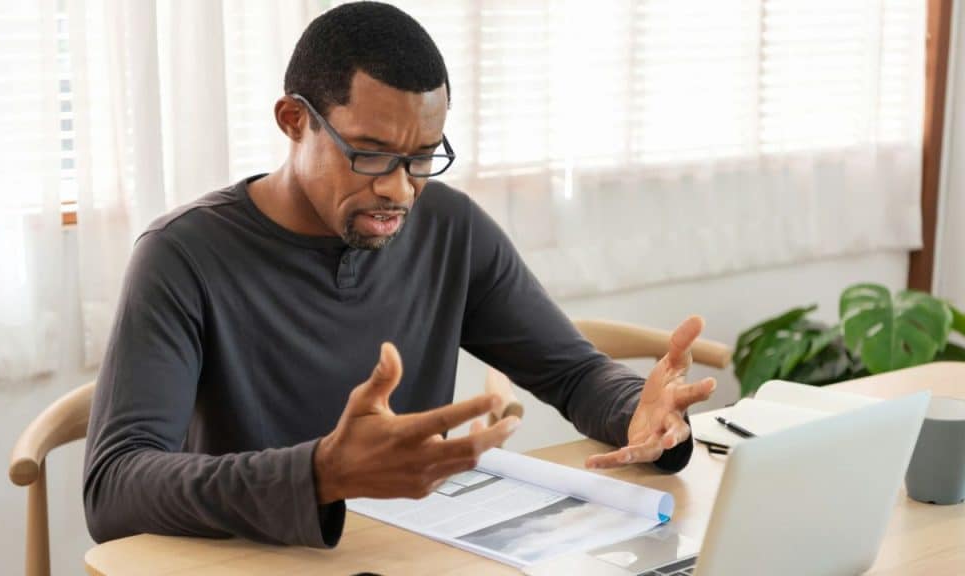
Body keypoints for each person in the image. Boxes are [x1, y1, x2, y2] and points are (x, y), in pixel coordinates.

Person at [84, 1, 716, 549]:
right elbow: (113, 487)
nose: (398, 189)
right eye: (370, 153)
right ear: (294, 120)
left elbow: (573, 373)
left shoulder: (450, 228)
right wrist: (320, 474)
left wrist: (638, 411)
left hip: (413, 551)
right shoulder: (182, 255)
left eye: (420, 158)